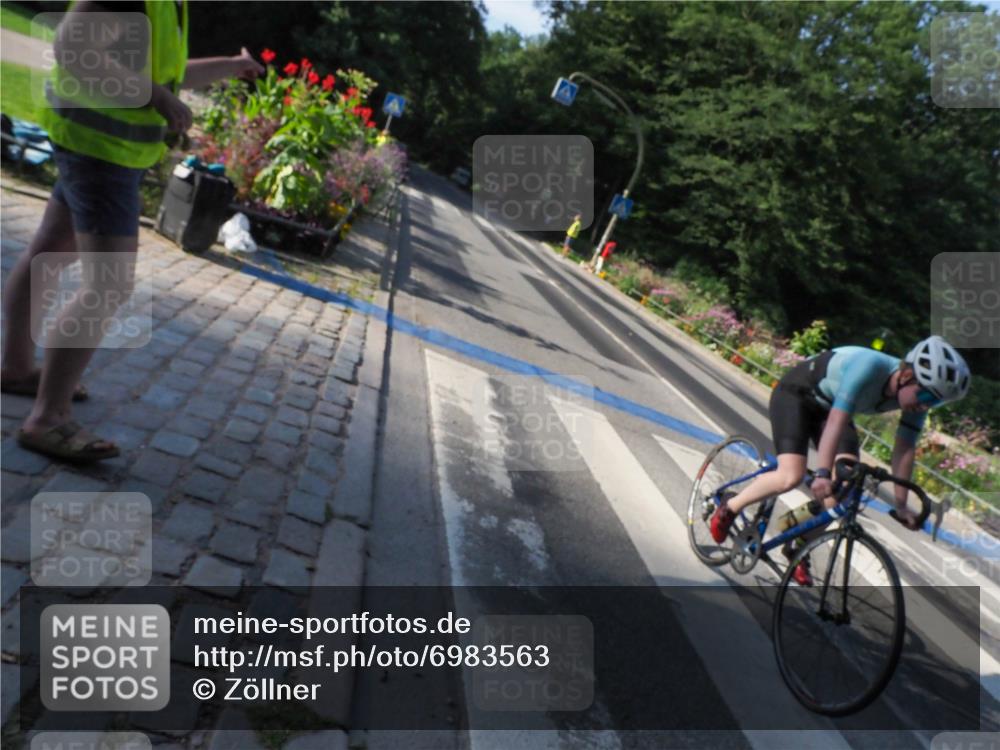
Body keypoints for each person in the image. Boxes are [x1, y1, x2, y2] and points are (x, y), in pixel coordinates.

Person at [0, 1, 263, 461]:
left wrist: (232, 66)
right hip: (103, 151)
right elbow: (74, 49)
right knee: (108, 285)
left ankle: (17, 368)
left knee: (49, 255)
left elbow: (170, 76)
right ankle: (48, 418)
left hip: (96, 143)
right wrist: (157, 98)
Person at [710, 336, 971, 585]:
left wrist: (902, 504)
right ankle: (729, 507)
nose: (925, 407)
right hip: (797, 396)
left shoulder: (914, 403)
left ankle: (800, 546)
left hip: (831, 409)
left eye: (934, 403)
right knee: (791, 475)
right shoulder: (870, 366)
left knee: (842, 494)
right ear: (905, 376)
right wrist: (822, 473)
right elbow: (836, 420)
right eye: (926, 397)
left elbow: (904, 449)